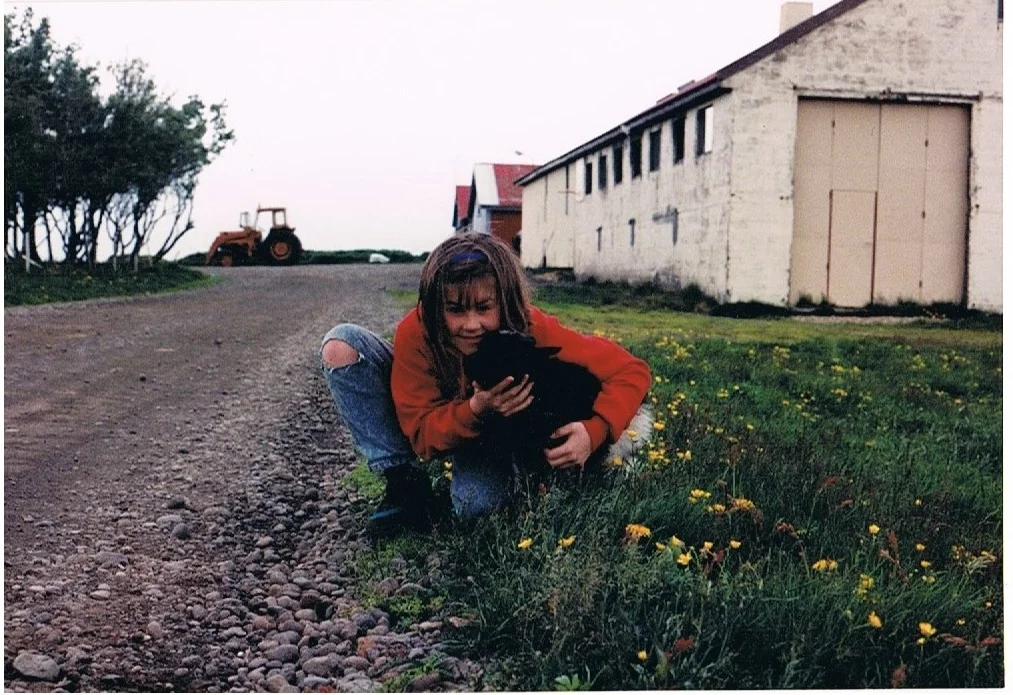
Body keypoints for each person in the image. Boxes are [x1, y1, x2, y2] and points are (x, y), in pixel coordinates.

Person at [320, 232, 651, 536]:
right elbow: (422, 438)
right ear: (435, 307)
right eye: (454, 309)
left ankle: (530, 478)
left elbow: (631, 371)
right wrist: (475, 409)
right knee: (342, 344)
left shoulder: (527, 326)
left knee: (475, 507)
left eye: (483, 307)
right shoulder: (417, 333)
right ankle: (404, 484)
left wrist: (593, 433)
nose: (470, 324)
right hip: (457, 421)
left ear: (505, 302)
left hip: (492, 436)